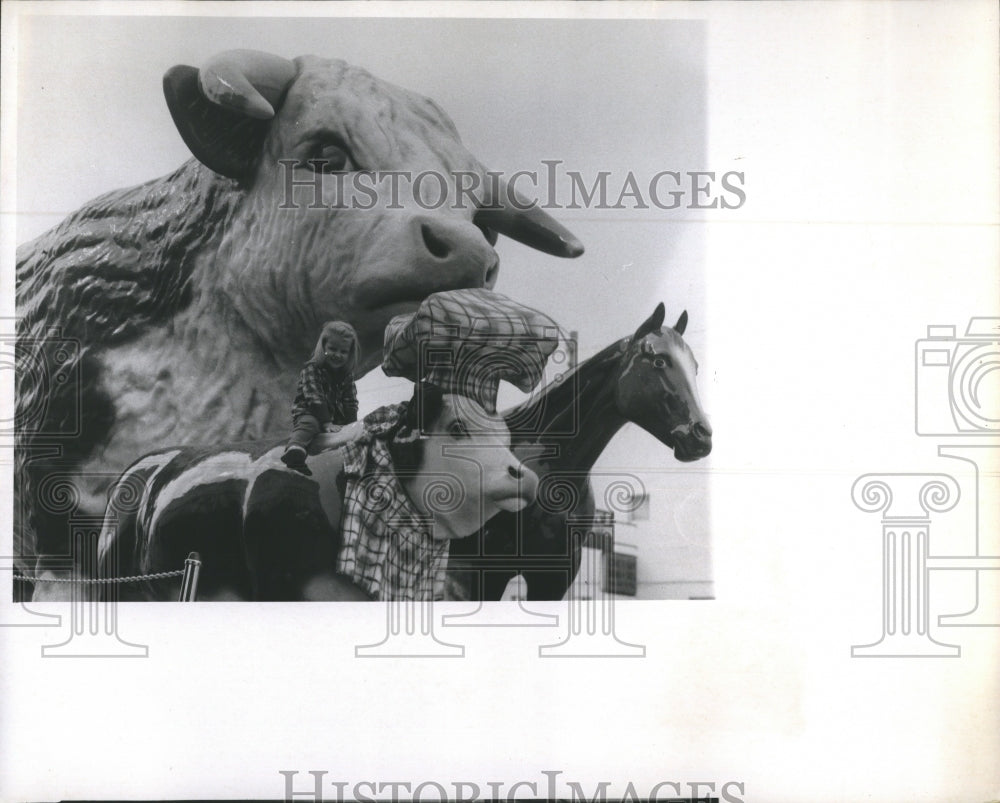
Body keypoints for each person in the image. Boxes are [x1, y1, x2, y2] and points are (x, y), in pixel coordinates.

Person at [281, 321, 360, 475]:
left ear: (350, 353)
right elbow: (314, 397)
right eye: (332, 349)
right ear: (323, 347)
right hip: (311, 412)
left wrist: (352, 427)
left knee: (353, 433)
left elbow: (350, 400)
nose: (337, 355)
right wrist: (326, 422)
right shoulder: (311, 369)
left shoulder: (347, 375)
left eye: (343, 351)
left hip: (335, 419)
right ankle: (295, 449)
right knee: (309, 423)